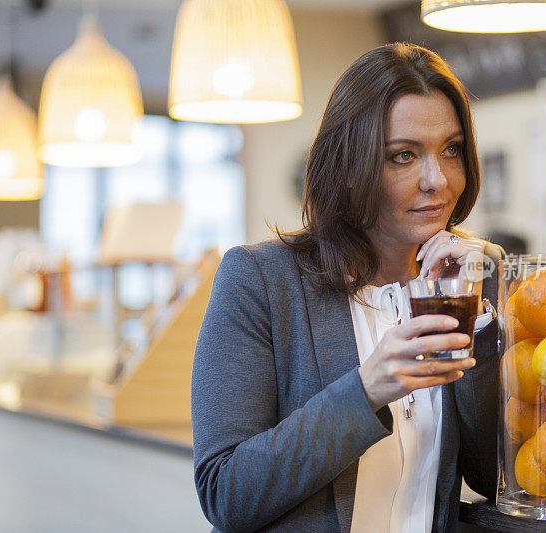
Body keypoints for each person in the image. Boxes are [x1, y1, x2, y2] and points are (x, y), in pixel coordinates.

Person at [192, 42, 503, 533]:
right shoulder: (259, 281)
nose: (437, 180)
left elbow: (494, 477)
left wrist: (482, 331)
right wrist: (367, 387)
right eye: (403, 156)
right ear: (347, 166)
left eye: (452, 150)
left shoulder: (473, 279)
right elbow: (225, 493)